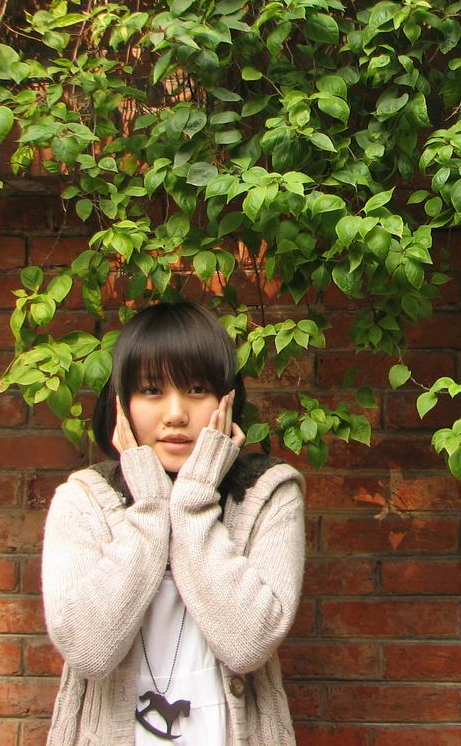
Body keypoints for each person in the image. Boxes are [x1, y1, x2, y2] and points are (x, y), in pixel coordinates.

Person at [41, 301, 305, 745]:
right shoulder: (84, 501)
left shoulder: (266, 495)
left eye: (197, 389)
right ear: (122, 404)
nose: (176, 413)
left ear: (227, 399)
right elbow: (88, 651)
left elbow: (248, 644)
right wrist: (149, 506)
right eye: (151, 390)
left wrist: (194, 500)